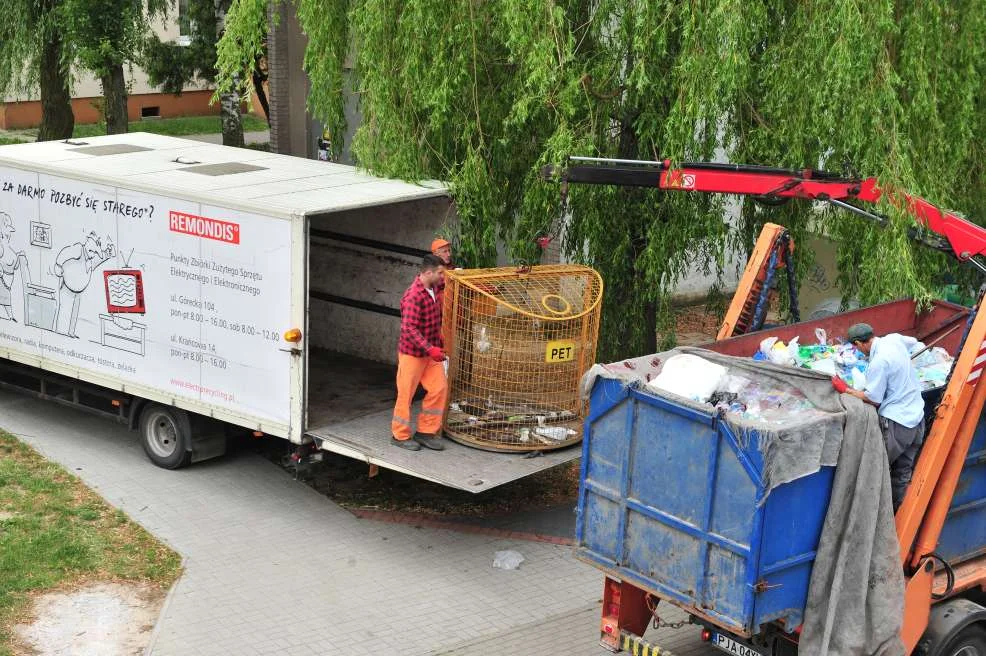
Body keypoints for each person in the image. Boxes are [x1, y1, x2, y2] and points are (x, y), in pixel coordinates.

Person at [831, 323, 926, 509]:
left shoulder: (879, 362)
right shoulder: (894, 338)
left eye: (856, 347)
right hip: (917, 419)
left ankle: (870, 516)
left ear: (859, 343)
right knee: (902, 473)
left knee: (875, 469)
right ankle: (896, 514)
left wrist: (846, 389)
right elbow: (914, 342)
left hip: (898, 425)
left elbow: (873, 399)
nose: (858, 352)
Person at [392, 254, 448, 451]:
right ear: (428, 272)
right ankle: (399, 435)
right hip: (413, 355)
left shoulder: (433, 288)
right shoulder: (414, 296)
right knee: (405, 394)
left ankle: (425, 432)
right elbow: (409, 329)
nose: (443, 276)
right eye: (441, 273)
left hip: (430, 353)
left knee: (439, 388)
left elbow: (449, 285)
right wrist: (430, 348)